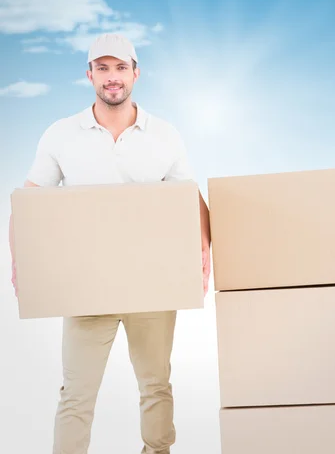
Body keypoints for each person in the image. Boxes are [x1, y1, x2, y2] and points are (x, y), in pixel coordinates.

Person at [8, 33, 211, 454]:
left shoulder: (164, 134)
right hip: (87, 288)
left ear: (136, 72)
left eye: (121, 67)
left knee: (156, 383)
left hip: (152, 285)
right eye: (102, 68)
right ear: (89, 75)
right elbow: (29, 201)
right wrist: (20, 263)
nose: (112, 77)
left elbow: (188, 197)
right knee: (77, 392)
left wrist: (203, 249)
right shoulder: (62, 134)